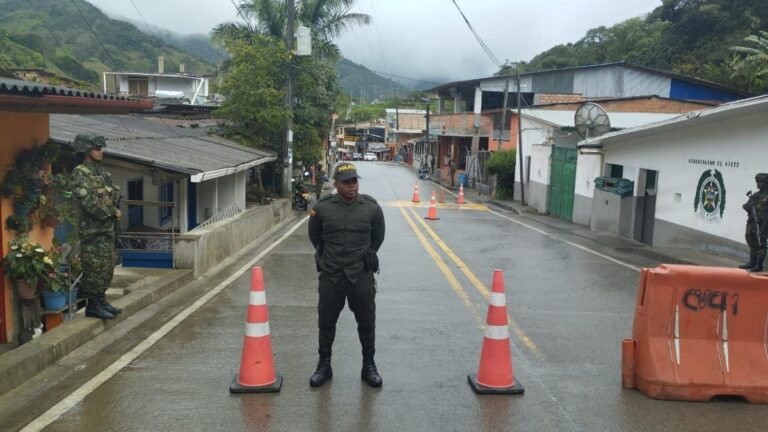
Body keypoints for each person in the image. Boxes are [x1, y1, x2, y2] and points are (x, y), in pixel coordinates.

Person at [307, 162, 386, 388]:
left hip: (360, 274)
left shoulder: (370, 208)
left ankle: (369, 366)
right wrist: (327, 259)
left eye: (355, 181)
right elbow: (315, 237)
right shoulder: (322, 208)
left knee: (367, 322)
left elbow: (378, 237)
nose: (352, 186)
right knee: (326, 323)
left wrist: (364, 257)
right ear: (336, 184)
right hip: (332, 275)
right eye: (347, 182)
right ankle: (324, 366)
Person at [72, 134, 123, 320]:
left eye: (101, 148)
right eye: (97, 148)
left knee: (107, 266)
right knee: (94, 268)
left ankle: (101, 300)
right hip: (93, 231)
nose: (101, 152)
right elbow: (89, 203)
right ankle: (92, 305)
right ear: (86, 150)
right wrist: (112, 211)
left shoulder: (100, 172)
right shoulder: (80, 173)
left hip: (107, 229)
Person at [739, 173, 768, 272]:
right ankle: (752, 262)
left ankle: (759, 265)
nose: (758, 184)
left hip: (763, 223)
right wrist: (749, 207)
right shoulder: (755, 195)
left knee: (761, 243)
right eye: (757, 182)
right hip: (752, 222)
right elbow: (745, 205)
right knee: (751, 240)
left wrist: (764, 226)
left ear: (766, 182)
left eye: (760, 182)